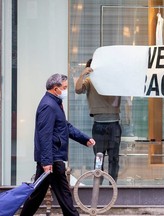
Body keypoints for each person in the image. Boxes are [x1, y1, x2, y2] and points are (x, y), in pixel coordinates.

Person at [20, 74, 95, 216]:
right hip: (53, 159)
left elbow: (64, 127)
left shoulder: (54, 104)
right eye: (65, 88)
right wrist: (47, 161)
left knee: (38, 195)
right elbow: (45, 135)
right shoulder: (48, 106)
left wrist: (84, 139)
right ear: (56, 89)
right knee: (63, 194)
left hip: (52, 158)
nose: (66, 91)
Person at [75, 59, 121, 184]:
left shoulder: (114, 81)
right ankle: (97, 184)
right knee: (98, 158)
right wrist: (82, 74)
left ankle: (113, 184)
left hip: (113, 122)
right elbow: (78, 89)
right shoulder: (90, 81)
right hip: (99, 124)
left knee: (114, 157)